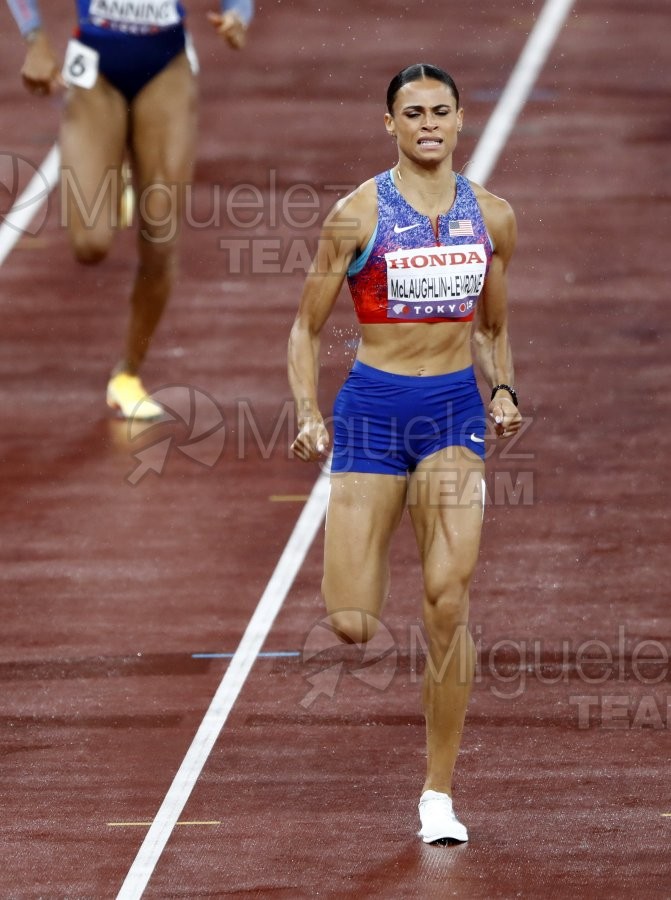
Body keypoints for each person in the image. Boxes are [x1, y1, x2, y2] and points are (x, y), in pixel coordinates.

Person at [288, 63, 522, 843]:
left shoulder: (492, 217)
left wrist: (504, 392)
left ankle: (437, 794)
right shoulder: (356, 216)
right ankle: (370, 536)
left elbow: (490, 329)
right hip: (372, 414)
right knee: (353, 622)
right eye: (412, 112)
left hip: (453, 412)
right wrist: (306, 410)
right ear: (388, 124)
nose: (428, 123)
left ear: (461, 121)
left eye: (440, 111)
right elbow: (305, 328)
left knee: (447, 601)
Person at [6, 0, 253, 419]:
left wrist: (238, 15)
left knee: (160, 239)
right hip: (96, 65)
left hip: (166, 66)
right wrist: (35, 41)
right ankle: (117, 160)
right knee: (90, 245)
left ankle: (127, 373)